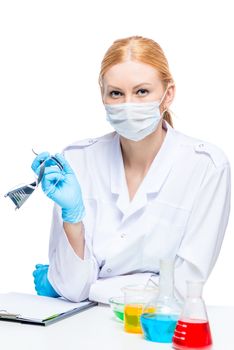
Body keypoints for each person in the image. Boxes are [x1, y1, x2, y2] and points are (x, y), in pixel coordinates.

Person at [32, 36, 231, 303]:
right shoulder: (77, 161)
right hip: (80, 332)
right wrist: (72, 218)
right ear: (102, 95)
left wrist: (91, 286)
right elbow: (71, 286)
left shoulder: (207, 167)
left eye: (141, 92)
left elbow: (183, 290)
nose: (128, 105)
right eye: (116, 93)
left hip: (156, 334)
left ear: (167, 94)